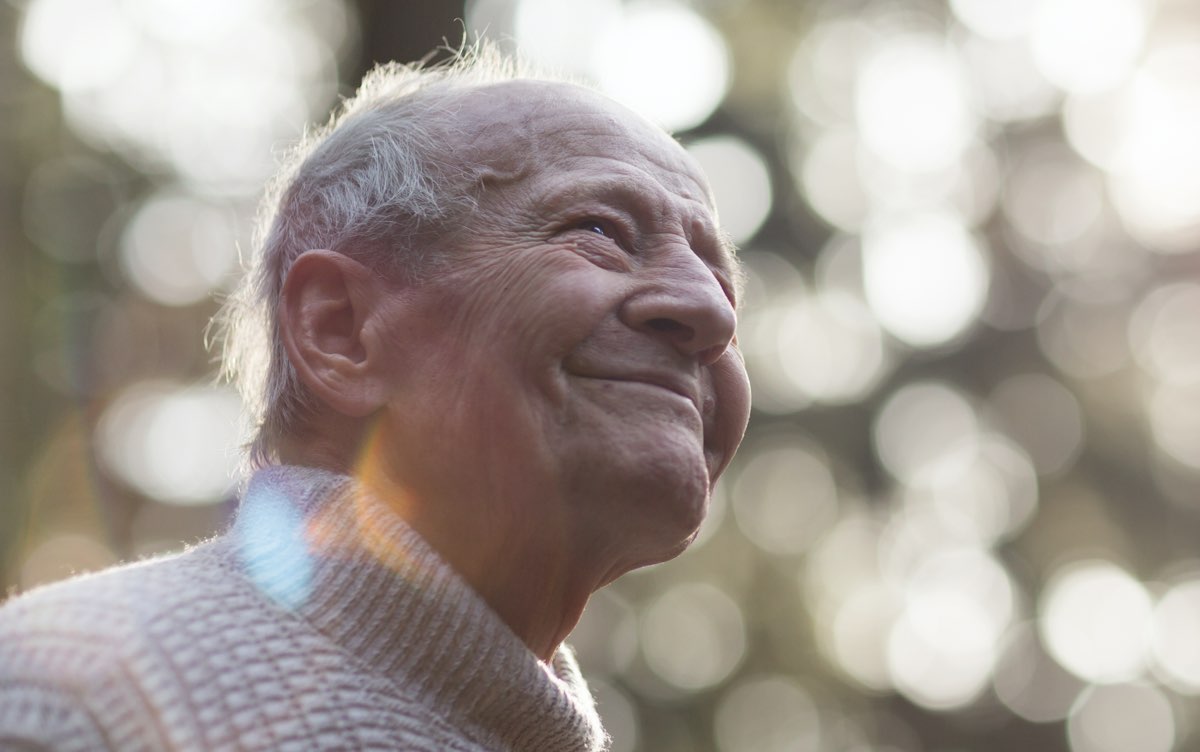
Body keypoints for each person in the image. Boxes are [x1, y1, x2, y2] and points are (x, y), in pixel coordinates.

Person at [0, 45, 751, 751]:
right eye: (599, 231)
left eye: (720, 279)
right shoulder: (74, 701)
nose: (710, 313)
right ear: (341, 328)